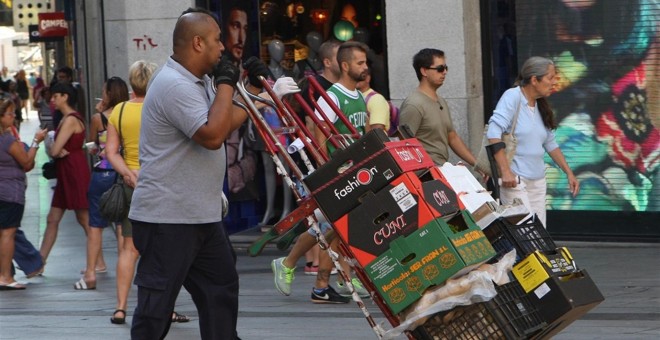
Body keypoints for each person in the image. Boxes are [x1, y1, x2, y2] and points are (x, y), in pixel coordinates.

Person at [127, 8, 270, 339]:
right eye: (217, 40)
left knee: (221, 288)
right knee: (156, 308)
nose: (222, 48)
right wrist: (225, 83)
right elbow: (212, 135)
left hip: (200, 215)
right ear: (197, 43)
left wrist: (255, 93)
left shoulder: (199, 81)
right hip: (167, 218)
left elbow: (226, 120)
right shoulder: (172, 83)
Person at [272, 41, 371, 304]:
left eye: (366, 62)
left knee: (332, 228)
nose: (366, 67)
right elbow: (318, 131)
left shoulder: (359, 96)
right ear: (346, 65)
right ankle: (308, 274)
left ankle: (324, 281)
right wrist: (326, 168)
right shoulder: (334, 95)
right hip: (336, 171)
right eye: (360, 63)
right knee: (330, 226)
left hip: (351, 170)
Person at [104, 61, 190, 325]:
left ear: (131, 83)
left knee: (128, 249)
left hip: (133, 187)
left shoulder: (117, 111)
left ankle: (120, 308)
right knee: (165, 250)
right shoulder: (161, 107)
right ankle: (167, 308)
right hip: (162, 184)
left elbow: (110, 152)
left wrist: (128, 173)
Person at [487, 56, 579, 227]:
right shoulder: (512, 97)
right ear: (534, 80)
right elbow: (493, 132)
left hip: (537, 181)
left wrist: (569, 172)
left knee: (537, 235)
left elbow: (551, 143)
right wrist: (505, 171)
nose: (554, 82)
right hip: (515, 180)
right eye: (550, 77)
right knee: (523, 233)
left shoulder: (540, 105)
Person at [38, 83, 93, 283]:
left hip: (73, 172)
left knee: (84, 219)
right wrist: (56, 147)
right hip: (67, 172)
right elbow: (56, 148)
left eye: (55, 96)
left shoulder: (70, 119)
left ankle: (96, 263)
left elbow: (53, 149)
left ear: (65, 96)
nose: (52, 100)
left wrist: (55, 146)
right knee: (53, 218)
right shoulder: (67, 119)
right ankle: (40, 261)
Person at [80, 77, 130, 291]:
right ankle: (123, 272)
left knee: (95, 226)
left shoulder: (98, 118)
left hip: (102, 174)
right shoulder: (128, 115)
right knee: (121, 227)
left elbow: (92, 147)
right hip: (122, 174)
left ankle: (90, 273)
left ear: (109, 94)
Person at [399, 48, 478, 166]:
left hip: (441, 170)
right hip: (426, 175)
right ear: (424, 71)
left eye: (446, 68)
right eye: (440, 69)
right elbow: (404, 146)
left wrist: (476, 164)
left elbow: (452, 137)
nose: (444, 72)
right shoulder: (414, 104)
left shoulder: (440, 101)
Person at [0, 98, 47, 290]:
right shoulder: (8, 141)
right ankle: (6, 277)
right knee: (8, 234)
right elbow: (27, 162)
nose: (14, 117)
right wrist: (36, 141)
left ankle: (5, 274)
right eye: (10, 114)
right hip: (11, 192)